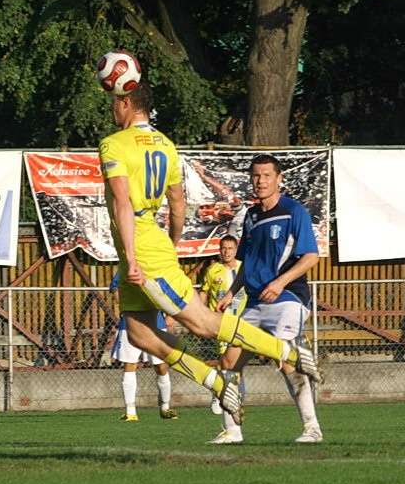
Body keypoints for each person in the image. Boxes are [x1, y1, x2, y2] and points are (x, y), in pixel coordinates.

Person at [98, 75, 321, 425]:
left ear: (126, 102)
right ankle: (216, 381)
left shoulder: (114, 144)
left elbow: (123, 204)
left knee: (200, 322)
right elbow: (177, 203)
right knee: (140, 333)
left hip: (139, 247)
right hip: (150, 240)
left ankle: (285, 349)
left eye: (113, 100)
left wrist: (133, 256)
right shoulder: (167, 146)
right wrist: (168, 243)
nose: (112, 107)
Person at [209, 154, 324, 444]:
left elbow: (311, 256)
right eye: (256, 176)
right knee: (228, 361)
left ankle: (312, 427)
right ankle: (232, 432)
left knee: (284, 360)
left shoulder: (293, 210)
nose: (260, 181)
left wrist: (279, 282)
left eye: (266, 175)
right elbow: (246, 262)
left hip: (288, 298)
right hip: (255, 303)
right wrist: (231, 294)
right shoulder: (251, 216)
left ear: (279, 178)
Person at [109, 271, 179, 421]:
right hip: (129, 322)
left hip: (155, 322)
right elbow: (115, 287)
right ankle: (130, 411)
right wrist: (122, 300)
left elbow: (167, 290)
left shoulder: (153, 265)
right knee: (130, 364)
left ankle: (165, 407)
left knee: (161, 365)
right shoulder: (125, 265)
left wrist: (169, 315)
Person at [198, 235, 247, 414]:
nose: (226, 252)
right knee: (224, 361)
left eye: (230, 248)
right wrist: (202, 314)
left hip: (242, 323)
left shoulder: (244, 269)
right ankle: (218, 395)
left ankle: (236, 397)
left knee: (237, 362)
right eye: (223, 248)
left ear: (236, 250)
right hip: (221, 323)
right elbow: (204, 293)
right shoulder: (213, 270)